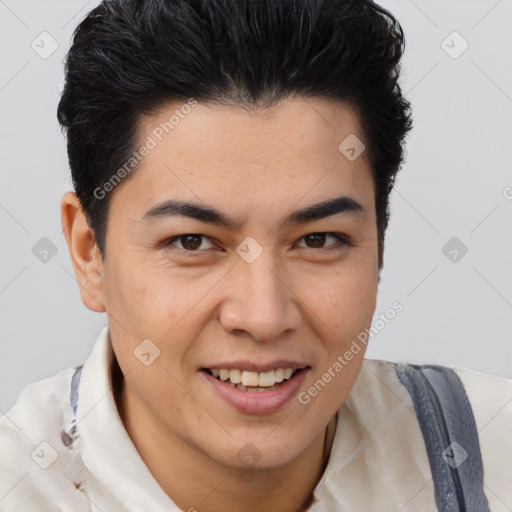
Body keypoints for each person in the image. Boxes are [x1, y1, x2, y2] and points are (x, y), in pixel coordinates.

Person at [0, 0, 510, 510]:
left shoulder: (493, 452)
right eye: (192, 242)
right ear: (90, 254)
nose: (264, 317)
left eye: (318, 240)